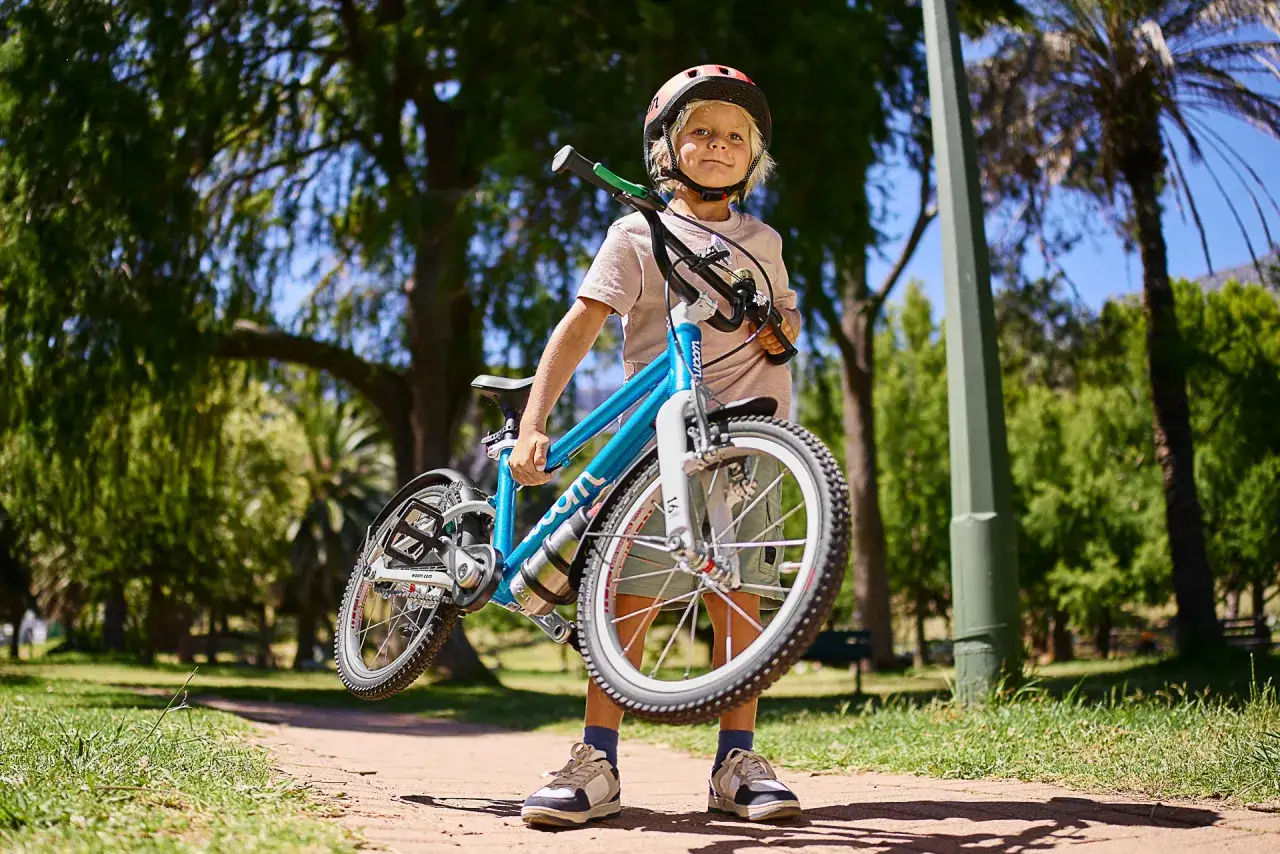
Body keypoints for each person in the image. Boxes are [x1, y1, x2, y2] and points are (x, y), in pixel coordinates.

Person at [510, 65, 803, 828]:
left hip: (750, 435)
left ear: (755, 157)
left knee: (742, 595)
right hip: (658, 441)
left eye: (735, 136)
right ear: (665, 150)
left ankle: (736, 763)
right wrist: (534, 422)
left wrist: (778, 326)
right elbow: (581, 324)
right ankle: (597, 758)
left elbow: (786, 319)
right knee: (629, 593)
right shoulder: (637, 233)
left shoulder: (764, 240)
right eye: (700, 131)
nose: (719, 144)